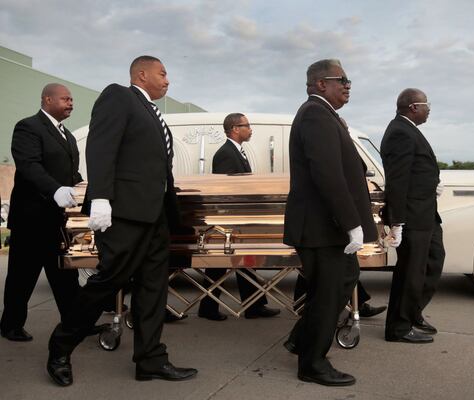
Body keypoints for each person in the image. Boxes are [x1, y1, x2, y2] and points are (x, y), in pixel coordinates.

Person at [46, 56, 197, 386]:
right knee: (107, 281)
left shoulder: (152, 113)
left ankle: (151, 360)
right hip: (125, 214)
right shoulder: (119, 96)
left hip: (155, 216)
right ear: (142, 75)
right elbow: (102, 146)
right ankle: (60, 346)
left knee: (153, 289)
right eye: (163, 73)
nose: (168, 79)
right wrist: (100, 197)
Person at [282, 59, 378, 387]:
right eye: (343, 79)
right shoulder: (315, 114)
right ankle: (312, 363)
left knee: (340, 282)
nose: (348, 85)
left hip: (325, 226)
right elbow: (327, 173)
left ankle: (300, 340)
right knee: (329, 291)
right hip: (322, 227)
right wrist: (351, 222)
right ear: (321, 84)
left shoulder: (325, 115)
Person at [0, 84, 81, 342]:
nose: (71, 103)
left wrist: (85, 189)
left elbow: (70, 174)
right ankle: (11, 325)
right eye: (65, 99)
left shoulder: (67, 135)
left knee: (65, 275)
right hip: (31, 219)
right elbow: (29, 166)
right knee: (22, 276)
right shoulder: (28, 127)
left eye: (72, 100)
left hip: (57, 221)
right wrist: (55, 190)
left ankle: (75, 322)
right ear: (47, 99)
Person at [197, 113, 280, 320]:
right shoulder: (225, 153)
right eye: (247, 125)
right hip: (230, 221)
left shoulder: (236, 151)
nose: (250, 129)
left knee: (242, 261)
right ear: (235, 128)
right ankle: (211, 308)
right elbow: (226, 191)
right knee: (222, 265)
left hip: (237, 220)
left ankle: (252, 306)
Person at [380, 88, 445, 344]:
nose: (430, 108)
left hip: (426, 212)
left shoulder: (408, 130)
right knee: (411, 271)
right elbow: (398, 180)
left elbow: (416, 171)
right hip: (412, 215)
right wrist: (397, 222)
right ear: (413, 107)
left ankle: (412, 313)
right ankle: (399, 327)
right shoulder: (400, 132)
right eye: (427, 104)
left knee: (433, 260)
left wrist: (432, 184)